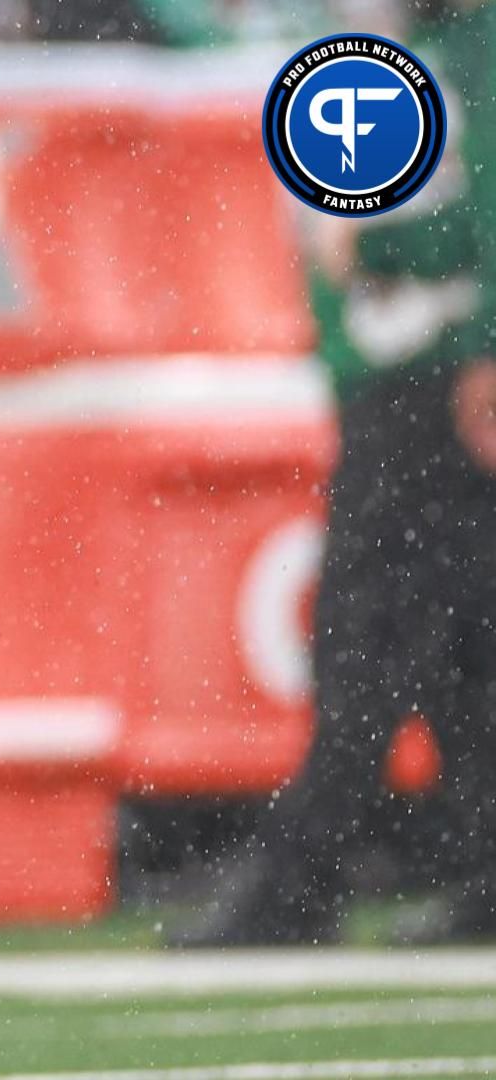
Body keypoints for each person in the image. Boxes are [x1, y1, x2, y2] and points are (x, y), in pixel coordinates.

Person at [167, 0, 496, 949]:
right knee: (451, 641)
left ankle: (304, 877)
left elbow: (464, 221)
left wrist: (384, 254)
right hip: (403, 379)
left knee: (369, 636)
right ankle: (470, 864)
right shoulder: (410, 46)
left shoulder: (462, 48)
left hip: (429, 383)